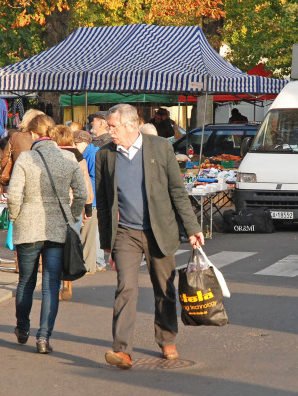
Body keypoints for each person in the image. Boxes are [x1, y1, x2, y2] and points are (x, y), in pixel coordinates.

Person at [96, 104, 204, 369]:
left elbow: (177, 191)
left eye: (113, 127)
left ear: (131, 125)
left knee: (164, 288)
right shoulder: (105, 155)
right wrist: (106, 244)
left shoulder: (159, 147)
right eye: (109, 127)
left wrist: (192, 228)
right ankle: (122, 350)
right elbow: (103, 203)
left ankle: (167, 339)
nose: (110, 132)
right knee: (126, 288)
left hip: (159, 229)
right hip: (125, 234)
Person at [8, 113, 87, 354]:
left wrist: (15, 217)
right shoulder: (68, 159)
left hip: (29, 227)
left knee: (26, 282)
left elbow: (13, 195)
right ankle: (43, 337)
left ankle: (23, 328)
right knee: (51, 284)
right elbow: (81, 194)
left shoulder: (26, 158)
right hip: (57, 228)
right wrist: (72, 215)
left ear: (33, 134)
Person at [55, 125, 94, 300]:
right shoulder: (79, 158)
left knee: (55, 247)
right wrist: (87, 208)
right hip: (73, 206)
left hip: (54, 206)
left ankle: (54, 285)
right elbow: (85, 185)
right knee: (71, 244)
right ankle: (68, 283)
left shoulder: (49, 156)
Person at [73, 130, 106, 274]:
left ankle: (88, 266)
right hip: (91, 199)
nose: (74, 145)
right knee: (90, 234)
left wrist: (90, 201)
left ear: (85, 143)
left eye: (76, 143)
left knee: (88, 235)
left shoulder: (92, 155)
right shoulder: (88, 154)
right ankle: (90, 263)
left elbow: (94, 180)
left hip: (92, 200)